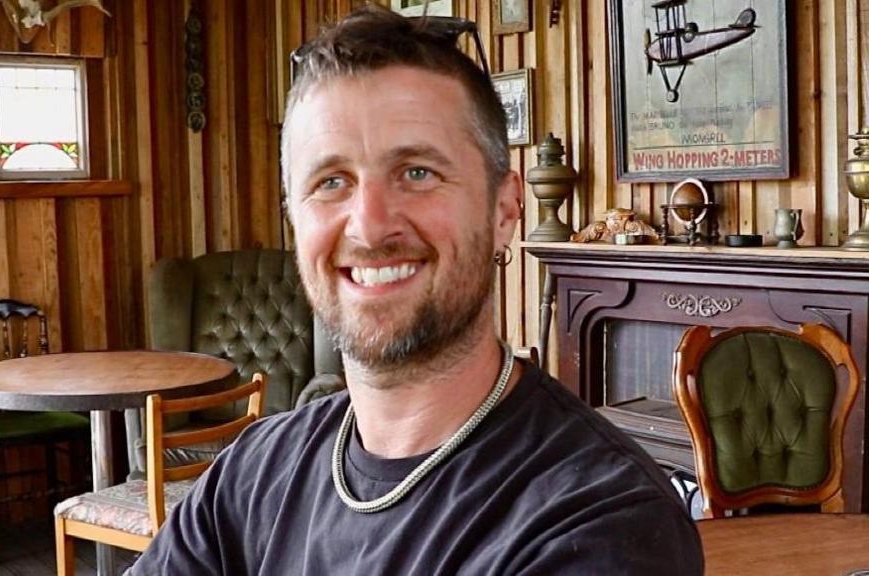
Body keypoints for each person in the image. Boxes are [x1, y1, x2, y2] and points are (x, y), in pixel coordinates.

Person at [129, 6, 703, 574]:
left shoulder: (602, 522)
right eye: (330, 182)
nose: (371, 225)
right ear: (294, 219)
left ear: (504, 207)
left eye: (417, 173)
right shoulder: (250, 476)